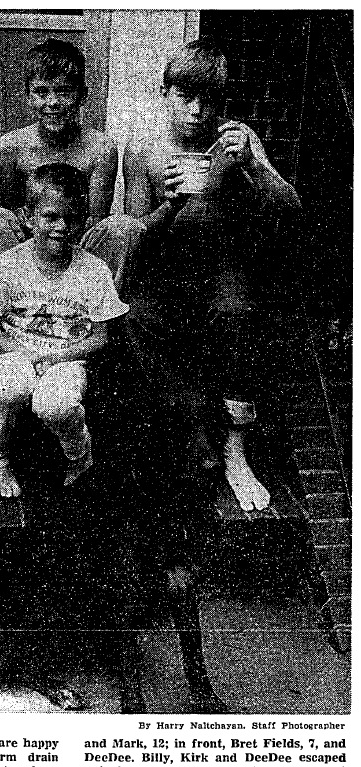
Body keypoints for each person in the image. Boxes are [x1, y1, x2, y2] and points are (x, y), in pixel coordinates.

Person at [123, 37, 302, 512]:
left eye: (210, 99)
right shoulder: (143, 149)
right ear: (166, 93)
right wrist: (174, 201)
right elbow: (134, 237)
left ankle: (236, 450)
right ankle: (193, 425)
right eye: (186, 96)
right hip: (165, 271)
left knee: (236, 312)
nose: (198, 110)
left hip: (224, 265)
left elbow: (291, 209)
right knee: (134, 317)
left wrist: (248, 166)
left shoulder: (234, 139)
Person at [0, 162, 129, 497]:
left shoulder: (93, 271)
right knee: (8, 388)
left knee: (55, 405)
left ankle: (79, 454)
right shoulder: (6, 266)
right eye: (50, 216)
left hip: (66, 356)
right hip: (15, 351)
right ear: (29, 217)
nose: (62, 226)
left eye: (72, 217)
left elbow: (101, 337)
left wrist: (59, 354)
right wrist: (23, 354)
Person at [0, 37, 144, 289]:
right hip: (29, 246)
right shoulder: (11, 146)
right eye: (41, 92)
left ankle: (103, 310)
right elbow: (10, 214)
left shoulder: (100, 148)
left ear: (82, 96)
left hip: (78, 246)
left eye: (64, 92)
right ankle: (9, 301)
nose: (53, 102)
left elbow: (92, 220)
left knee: (123, 227)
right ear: (28, 96)